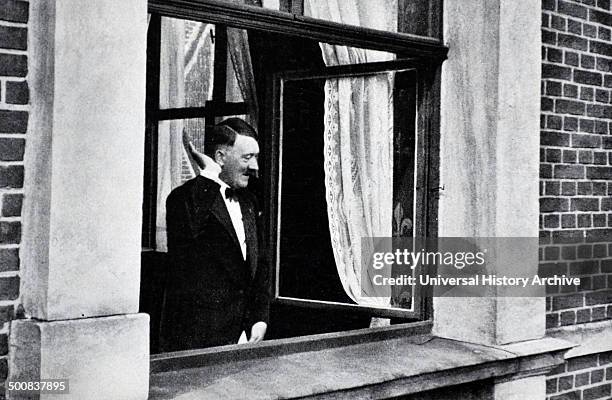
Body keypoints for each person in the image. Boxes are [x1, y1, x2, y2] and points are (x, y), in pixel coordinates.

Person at [159, 118, 269, 351]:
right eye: (247, 157)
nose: (255, 166)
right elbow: (187, 246)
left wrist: (259, 318)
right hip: (198, 343)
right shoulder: (183, 200)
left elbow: (259, 266)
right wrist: (209, 176)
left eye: (256, 157)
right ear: (220, 158)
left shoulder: (249, 201)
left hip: (243, 339)